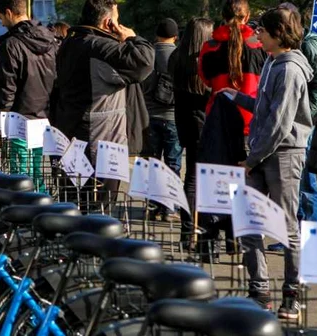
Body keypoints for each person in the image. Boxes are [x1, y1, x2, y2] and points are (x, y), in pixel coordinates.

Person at [220, 7, 313, 319]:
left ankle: (292, 295)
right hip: (262, 152)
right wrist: (236, 96)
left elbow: (279, 122)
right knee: (248, 221)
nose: (256, 34)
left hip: (283, 155)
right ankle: (259, 291)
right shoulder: (273, 62)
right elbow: (265, 109)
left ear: (279, 34)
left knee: (286, 227)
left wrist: (252, 157)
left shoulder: (289, 69)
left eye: (262, 30)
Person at [53, 0, 153, 200]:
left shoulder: (70, 43)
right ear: (108, 23)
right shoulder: (101, 48)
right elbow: (143, 63)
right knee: (99, 211)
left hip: (71, 135)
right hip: (100, 142)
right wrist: (134, 38)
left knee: (72, 205)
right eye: (117, 20)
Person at [266, 2, 317, 251]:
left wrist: (307, 116)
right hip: (301, 121)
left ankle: (311, 240)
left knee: (306, 184)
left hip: (305, 124)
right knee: (297, 184)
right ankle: (295, 236)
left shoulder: (309, 42)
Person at [0, 0, 57, 191]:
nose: (2, 23)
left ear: (10, 13)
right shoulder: (50, 39)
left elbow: (6, 86)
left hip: (19, 117)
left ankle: (26, 216)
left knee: (20, 175)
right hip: (44, 115)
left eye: (1, 17)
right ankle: (42, 209)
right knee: (37, 172)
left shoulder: (11, 44)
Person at [168, 17, 214, 249]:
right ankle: (201, 232)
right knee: (203, 180)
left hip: (183, 122)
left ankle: (188, 232)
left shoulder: (176, 58)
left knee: (191, 177)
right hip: (203, 125)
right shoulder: (204, 61)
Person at [199, 0, 267, 139]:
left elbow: (206, 80)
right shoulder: (261, 47)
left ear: (223, 16)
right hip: (252, 120)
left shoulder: (209, 47)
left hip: (218, 119)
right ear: (247, 16)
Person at [143, 18, 180, 222]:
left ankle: (153, 206)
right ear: (175, 36)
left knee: (153, 162)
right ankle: (169, 208)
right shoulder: (179, 55)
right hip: (172, 116)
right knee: (173, 163)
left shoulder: (146, 53)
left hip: (149, 115)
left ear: (157, 35)